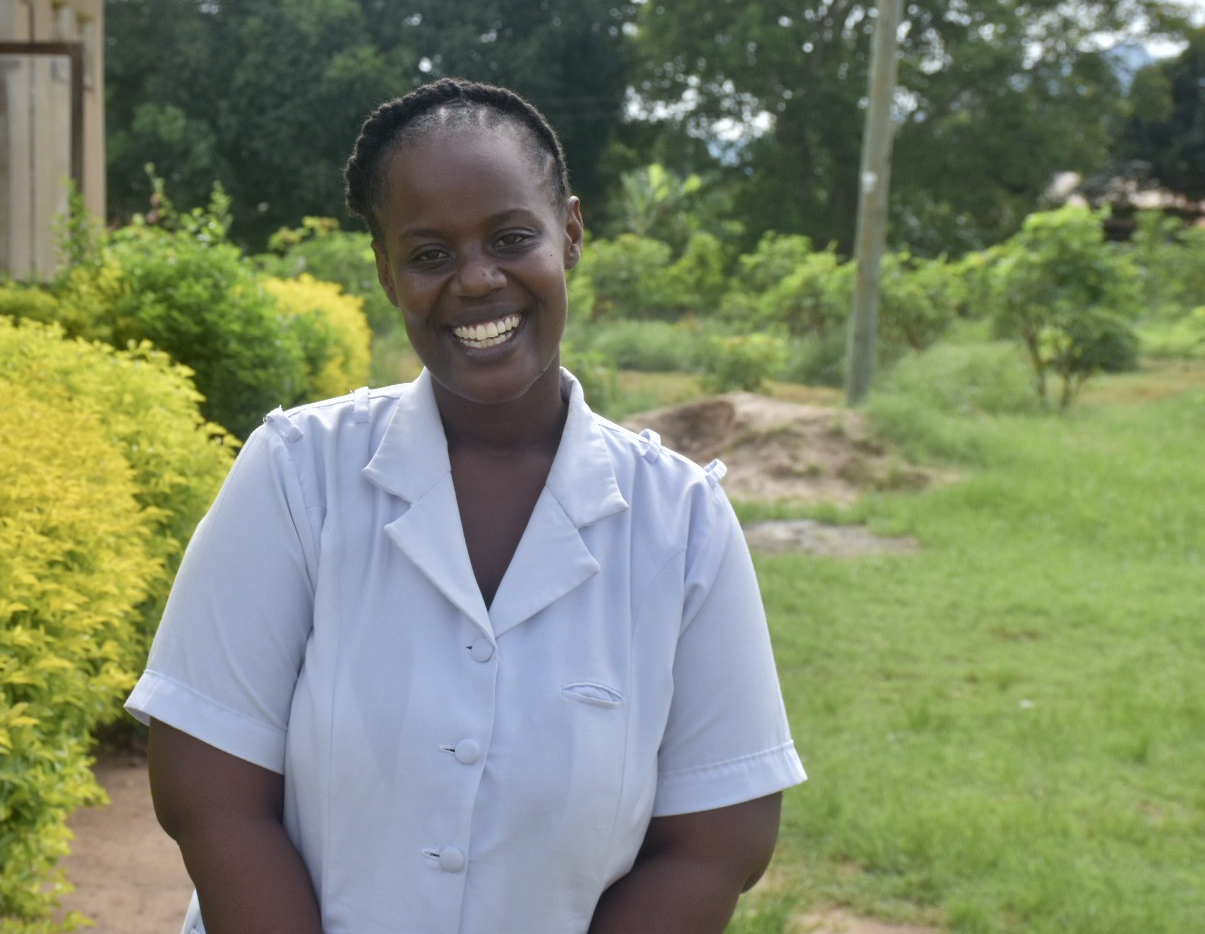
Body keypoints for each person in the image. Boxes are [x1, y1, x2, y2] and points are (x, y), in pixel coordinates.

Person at [125, 78, 806, 934]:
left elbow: (716, 841)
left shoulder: (682, 526)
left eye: (512, 237)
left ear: (571, 232)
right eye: (430, 254)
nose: (477, 280)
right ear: (386, 272)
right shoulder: (298, 477)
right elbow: (210, 795)